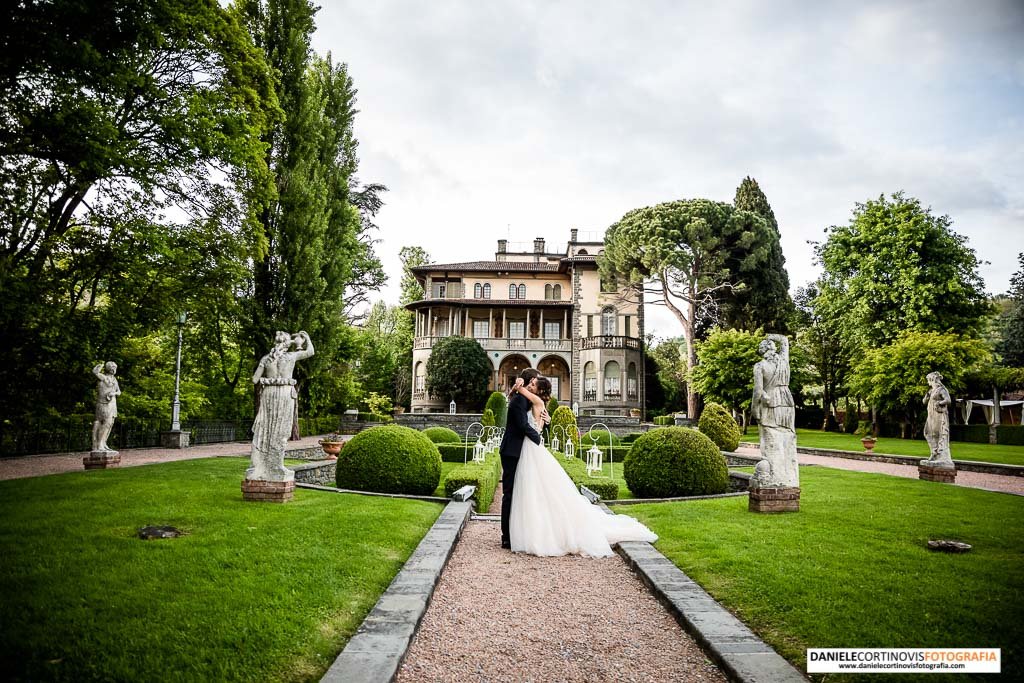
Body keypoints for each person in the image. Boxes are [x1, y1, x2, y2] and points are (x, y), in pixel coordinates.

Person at [508, 376, 657, 557]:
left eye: (533, 384)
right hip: (530, 446)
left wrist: (519, 384)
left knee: (538, 488)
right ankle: (535, 530)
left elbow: (521, 393)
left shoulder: (537, 401)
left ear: (539, 391)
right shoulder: (535, 403)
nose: (530, 386)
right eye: (530, 383)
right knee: (537, 489)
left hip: (532, 446)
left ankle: (541, 533)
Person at [248, 331, 314, 482]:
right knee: (281, 430)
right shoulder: (291, 356)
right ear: (287, 343)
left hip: (269, 394)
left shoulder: (266, 358)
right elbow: (310, 352)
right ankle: (276, 466)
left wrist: (265, 370)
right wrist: (306, 338)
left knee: (264, 429)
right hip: (284, 394)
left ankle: (259, 466)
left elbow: (254, 379)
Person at [498, 368, 544, 549]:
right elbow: (523, 425)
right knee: (509, 494)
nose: (537, 385)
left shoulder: (527, 400)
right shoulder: (518, 400)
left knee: (523, 493)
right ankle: (506, 537)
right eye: (535, 381)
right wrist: (538, 439)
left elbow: (534, 420)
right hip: (512, 451)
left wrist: (545, 421)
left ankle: (519, 532)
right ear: (530, 381)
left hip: (523, 451)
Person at [750, 333, 799, 488]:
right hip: (786, 403)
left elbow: (758, 391)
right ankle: (790, 478)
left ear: (762, 351)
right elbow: (784, 340)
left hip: (770, 404)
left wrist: (754, 408)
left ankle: (776, 478)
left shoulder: (760, 366)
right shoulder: (784, 360)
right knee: (788, 439)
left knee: (771, 441)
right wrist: (771, 336)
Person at [922, 371, 953, 467]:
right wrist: (926, 397)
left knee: (937, 433)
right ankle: (934, 452)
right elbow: (924, 402)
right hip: (931, 414)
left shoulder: (941, 390)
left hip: (938, 414)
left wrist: (939, 403)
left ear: (932, 379)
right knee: (927, 432)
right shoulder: (931, 391)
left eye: (928, 380)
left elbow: (948, 400)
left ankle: (940, 454)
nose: (928, 382)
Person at [91, 361, 121, 452]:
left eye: (115, 368)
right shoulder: (104, 377)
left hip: (112, 403)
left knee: (110, 423)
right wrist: (100, 366)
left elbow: (119, 392)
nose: (114, 369)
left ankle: (104, 443)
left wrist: (113, 393)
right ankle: (98, 444)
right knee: (105, 422)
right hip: (103, 403)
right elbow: (95, 372)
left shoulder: (114, 379)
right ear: (108, 368)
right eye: (112, 367)